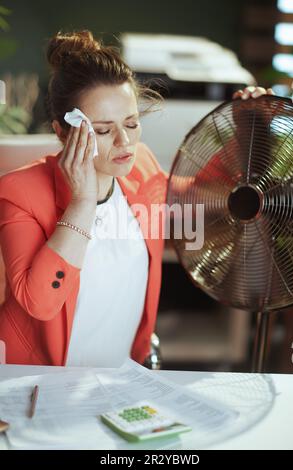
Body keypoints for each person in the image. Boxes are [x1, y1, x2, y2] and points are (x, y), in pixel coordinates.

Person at [0, 29, 272, 366]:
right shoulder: (19, 193)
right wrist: (82, 203)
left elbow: (206, 196)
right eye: (102, 130)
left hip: (123, 378)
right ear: (62, 132)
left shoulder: (140, 164)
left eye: (131, 123)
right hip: (40, 387)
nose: (124, 143)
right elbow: (39, 302)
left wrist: (248, 128)